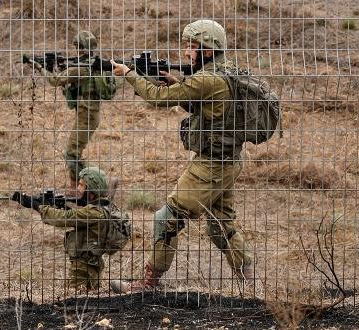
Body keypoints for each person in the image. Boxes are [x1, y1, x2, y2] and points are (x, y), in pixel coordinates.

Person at [108, 19, 254, 293]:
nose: (187, 53)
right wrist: (175, 81)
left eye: (192, 47)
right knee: (222, 224)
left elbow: (157, 98)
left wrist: (127, 72)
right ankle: (248, 280)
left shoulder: (205, 78)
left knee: (167, 217)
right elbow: (204, 104)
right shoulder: (227, 70)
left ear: (208, 50)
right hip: (229, 160)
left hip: (210, 165)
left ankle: (148, 284)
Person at [23, 31, 117, 196]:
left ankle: (87, 186)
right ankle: (82, 186)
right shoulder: (92, 63)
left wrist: (38, 67)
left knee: (72, 153)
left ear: (79, 47)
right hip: (88, 114)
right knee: (74, 152)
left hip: (86, 116)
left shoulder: (81, 68)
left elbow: (55, 81)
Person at [11, 167, 130, 292]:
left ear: (92, 190)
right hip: (91, 264)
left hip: (83, 268)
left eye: (81, 185)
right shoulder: (104, 207)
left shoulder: (93, 212)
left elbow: (63, 218)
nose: (78, 188)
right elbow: (78, 217)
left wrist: (37, 206)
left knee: (76, 302)